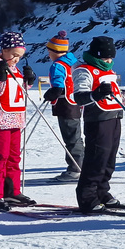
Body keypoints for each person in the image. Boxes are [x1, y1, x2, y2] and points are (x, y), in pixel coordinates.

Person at [72, 35, 125, 213]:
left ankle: (102, 191)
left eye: (111, 58)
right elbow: (79, 97)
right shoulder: (84, 70)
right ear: (96, 56)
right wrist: (96, 94)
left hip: (114, 117)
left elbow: (116, 98)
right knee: (96, 158)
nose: (109, 61)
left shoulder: (110, 73)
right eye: (105, 58)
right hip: (97, 120)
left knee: (109, 159)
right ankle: (87, 197)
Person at [0, 32, 38, 211]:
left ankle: (11, 191)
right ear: (4, 50)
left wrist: (28, 81)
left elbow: (16, 90)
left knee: (13, 157)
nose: (15, 59)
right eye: (13, 54)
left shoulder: (15, 68)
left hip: (15, 118)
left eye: (19, 56)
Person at [43, 31, 84, 181]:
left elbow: (58, 85)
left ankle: (76, 168)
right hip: (76, 102)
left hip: (65, 104)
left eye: (49, 51)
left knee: (71, 137)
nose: (49, 55)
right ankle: (80, 165)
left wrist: (52, 93)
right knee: (76, 136)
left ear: (55, 51)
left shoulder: (58, 65)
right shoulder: (73, 62)